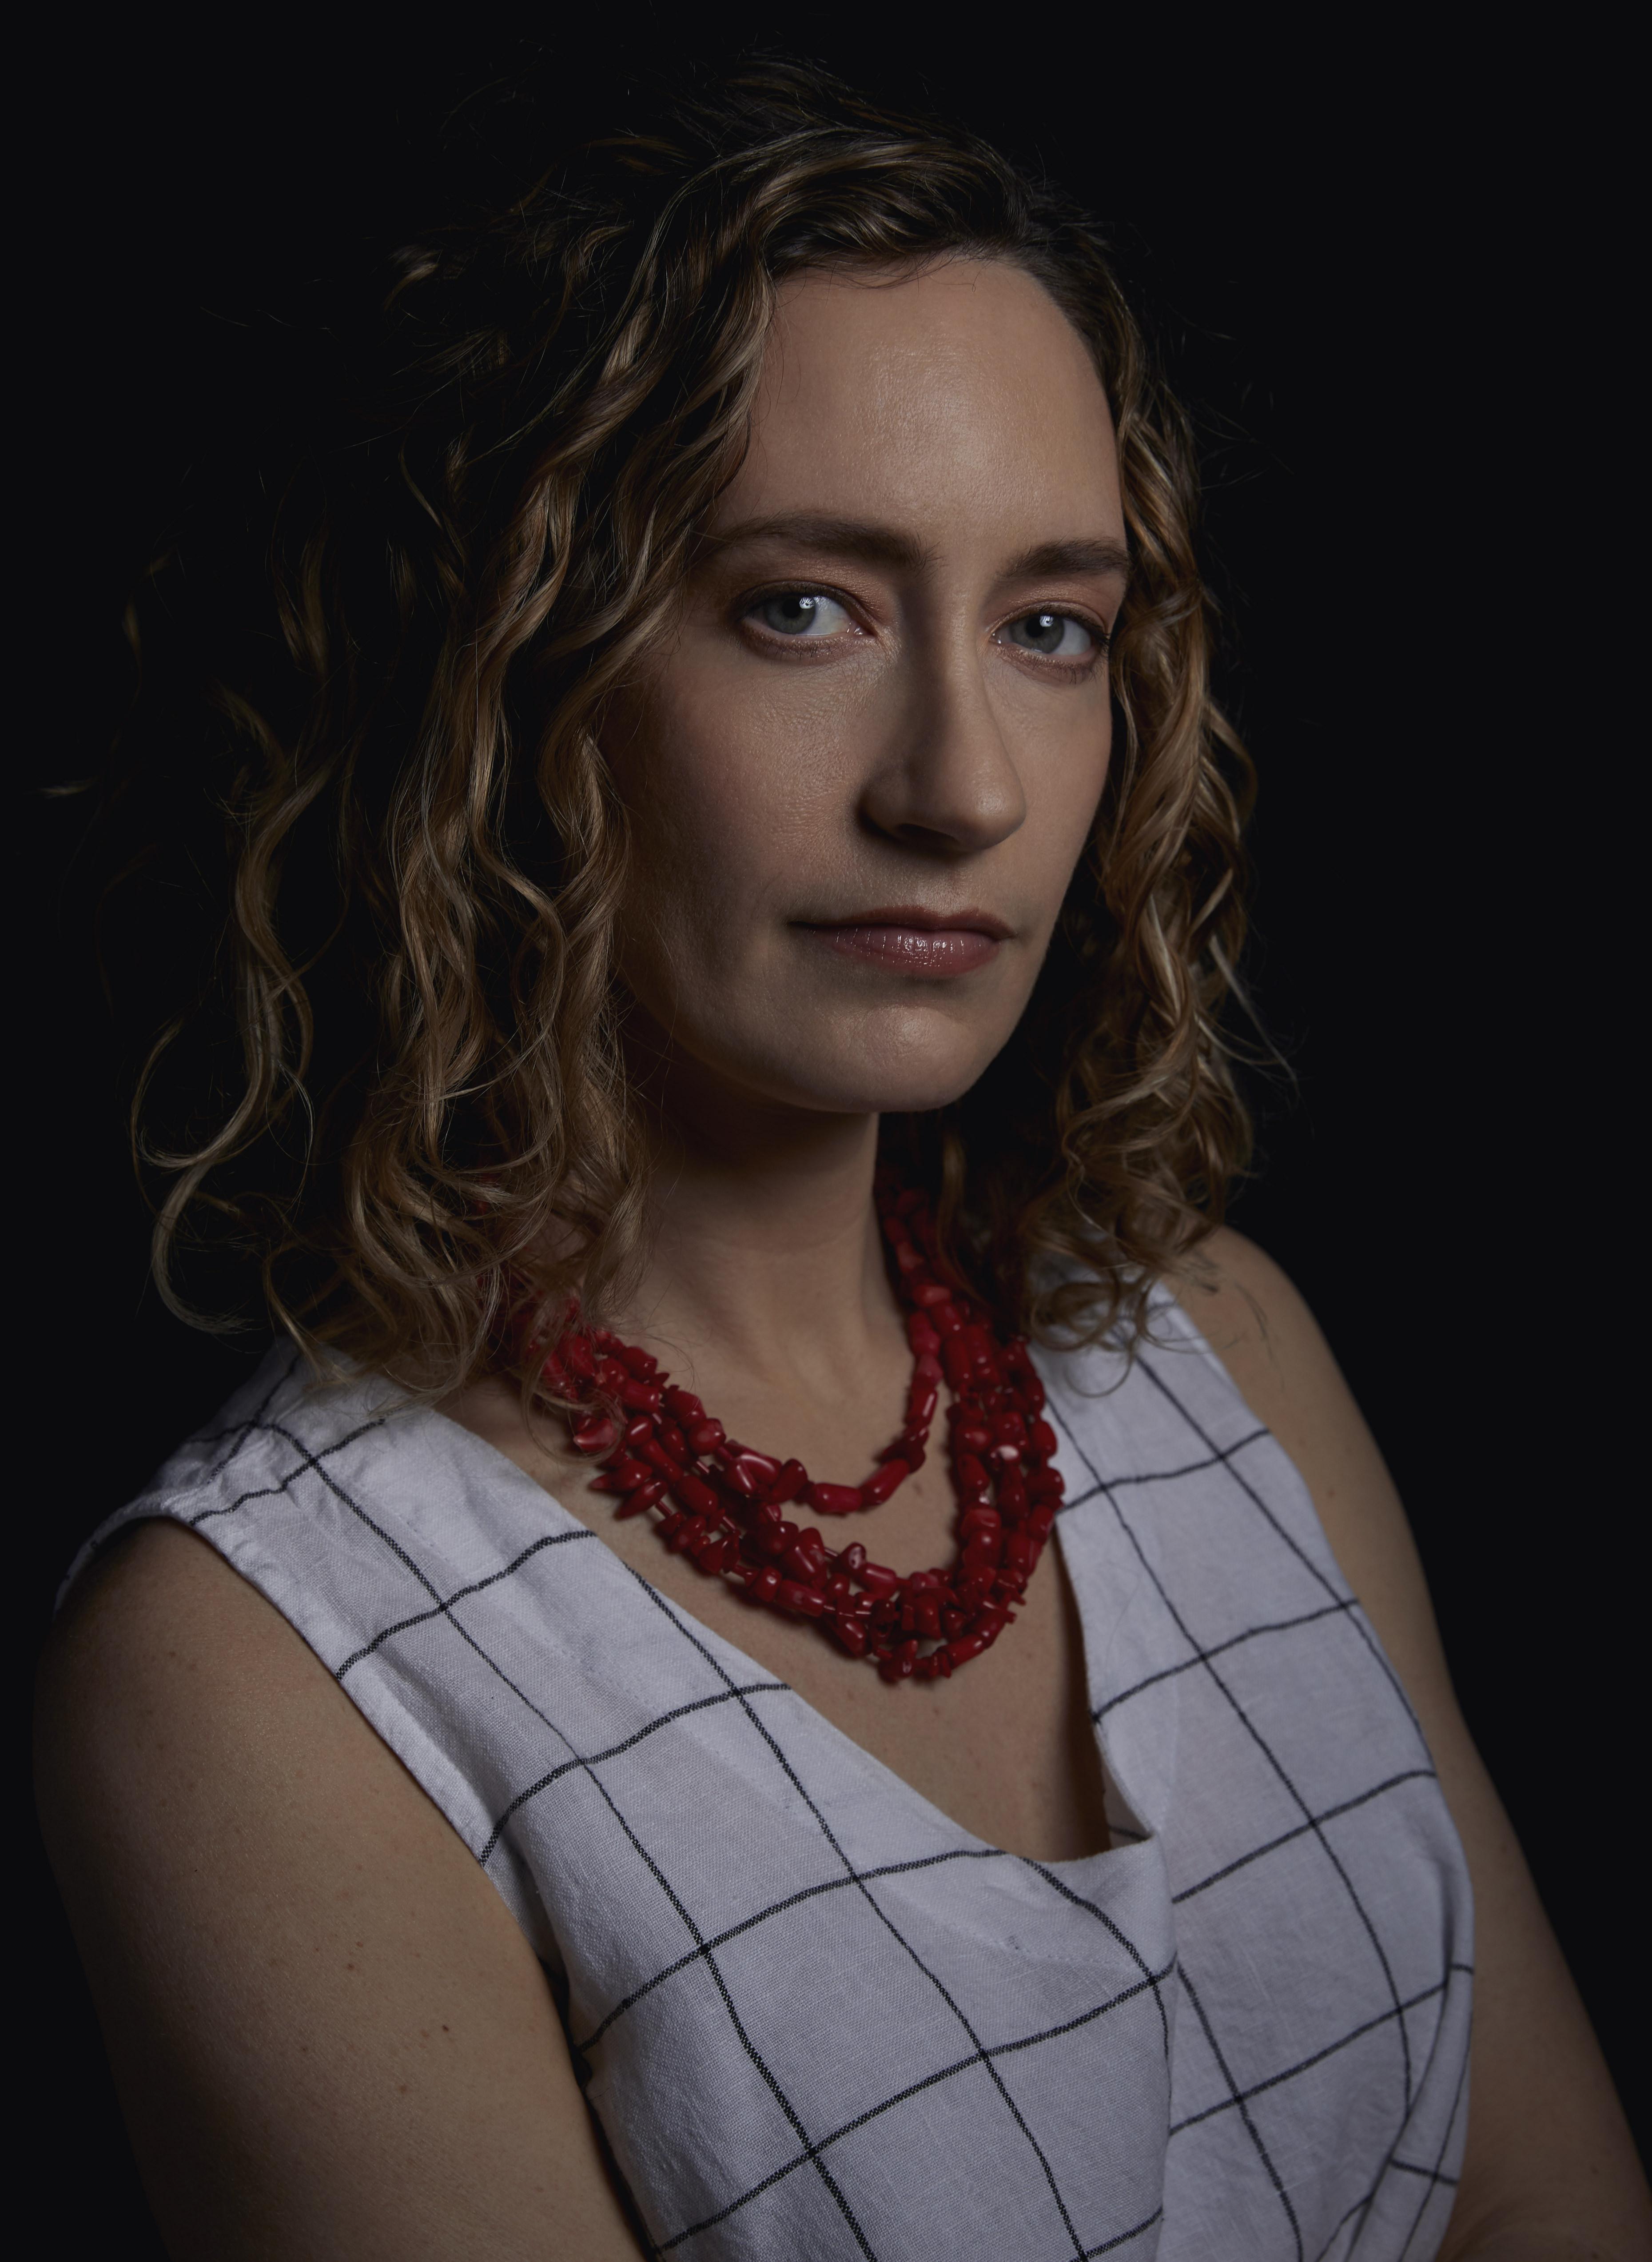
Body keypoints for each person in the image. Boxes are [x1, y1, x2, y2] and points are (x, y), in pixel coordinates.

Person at [32, 61, 1647, 2262]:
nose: (964, 786)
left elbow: (1555, 2211)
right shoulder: (262, 1663)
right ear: (511, 675)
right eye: (806, 605)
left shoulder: (1222, 1339)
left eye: (1050, 625)